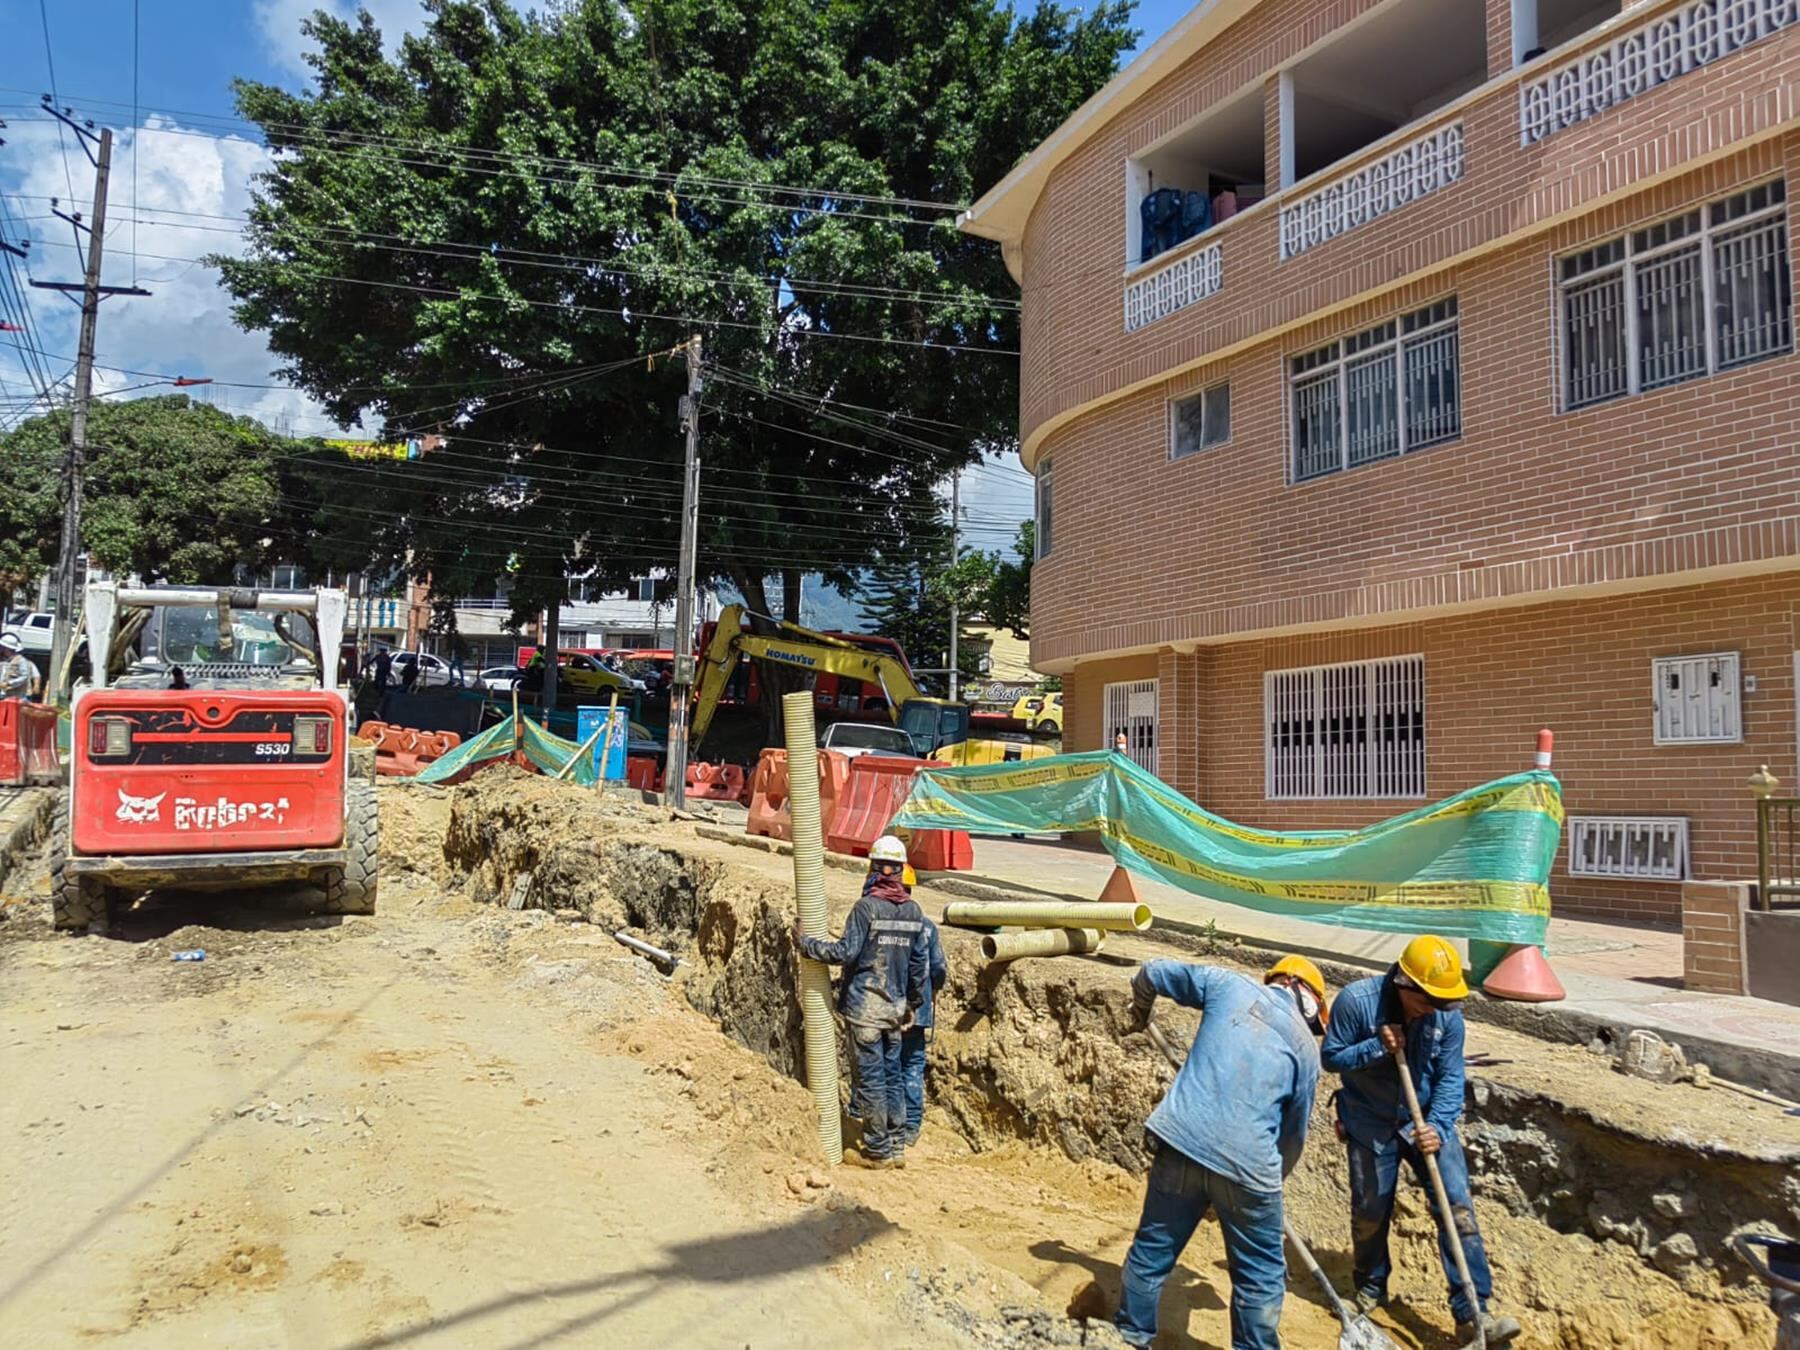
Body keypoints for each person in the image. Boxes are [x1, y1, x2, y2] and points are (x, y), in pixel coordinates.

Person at [1115, 955, 1328, 1350]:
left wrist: (1141, 1008)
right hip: (1249, 1167)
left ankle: (1130, 1338)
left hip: (1181, 1139)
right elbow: (1292, 1138)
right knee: (1259, 1276)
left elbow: (1152, 971)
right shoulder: (1306, 1051)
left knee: (1152, 1250)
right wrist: (1259, 1191)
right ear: (1311, 1003)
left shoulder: (1226, 983)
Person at [1321, 935, 1521, 1346]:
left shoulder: (1448, 1016)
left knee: (1457, 1206)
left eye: (1445, 1002)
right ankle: (1372, 1285)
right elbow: (1332, 1057)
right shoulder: (1356, 1003)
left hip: (1427, 1119)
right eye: (1430, 1001)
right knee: (1370, 1209)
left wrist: (1439, 1126)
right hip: (1371, 1120)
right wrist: (1378, 1045)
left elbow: (1450, 1077)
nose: (1438, 1009)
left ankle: (1472, 1313)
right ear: (1404, 984)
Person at [792, 833, 931, 1168]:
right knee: (892, 1075)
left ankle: (878, 1150)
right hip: (894, 1012)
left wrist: (805, 943)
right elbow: (918, 967)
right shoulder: (914, 912)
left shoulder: (865, 908)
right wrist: (911, 1004)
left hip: (865, 1009)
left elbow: (844, 953)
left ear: (873, 868)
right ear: (901, 870)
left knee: (870, 1080)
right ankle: (896, 1146)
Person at [889, 838, 947, 1147]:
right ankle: (911, 1126)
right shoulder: (926, 926)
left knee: (892, 1064)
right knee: (911, 1065)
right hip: (919, 1009)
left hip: (892, 1008)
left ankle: (893, 1125)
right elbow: (938, 968)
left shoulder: (882, 920)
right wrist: (929, 991)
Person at [0, 633, 36, 700]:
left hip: (17, 697)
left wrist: (9, 683)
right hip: (3, 696)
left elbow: (24, 676)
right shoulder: (2, 660)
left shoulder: (21, 661)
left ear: (7, 648)